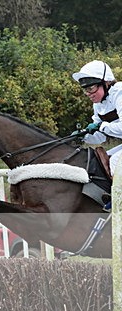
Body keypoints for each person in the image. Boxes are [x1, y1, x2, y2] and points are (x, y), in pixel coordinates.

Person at [71, 60, 122, 211]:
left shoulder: (119, 92)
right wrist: (84, 136)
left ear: (105, 83)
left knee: (116, 164)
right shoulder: (98, 104)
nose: (88, 94)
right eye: (85, 89)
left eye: (91, 88)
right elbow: (101, 137)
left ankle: (118, 205)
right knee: (101, 160)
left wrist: (101, 126)